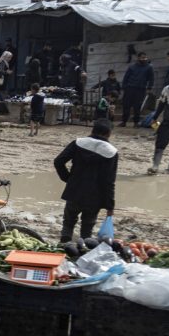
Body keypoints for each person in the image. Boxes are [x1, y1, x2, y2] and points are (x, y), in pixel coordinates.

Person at [53, 109, 118, 242]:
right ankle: (83, 248)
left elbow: (58, 161)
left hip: (74, 190)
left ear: (92, 130)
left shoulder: (78, 143)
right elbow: (109, 182)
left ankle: (64, 245)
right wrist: (110, 206)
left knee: (68, 223)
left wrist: (68, 179)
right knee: (87, 228)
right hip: (95, 197)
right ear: (109, 134)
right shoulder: (111, 153)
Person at [120, 51, 154, 128]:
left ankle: (136, 122)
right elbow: (126, 77)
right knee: (126, 105)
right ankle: (124, 121)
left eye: (145, 57)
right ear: (138, 58)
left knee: (137, 106)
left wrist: (149, 88)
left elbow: (151, 78)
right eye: (142, 58)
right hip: (130, 88)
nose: (144, 59)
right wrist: (124, 87)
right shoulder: (132, 67)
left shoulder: (149, 67)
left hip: (140, 89)